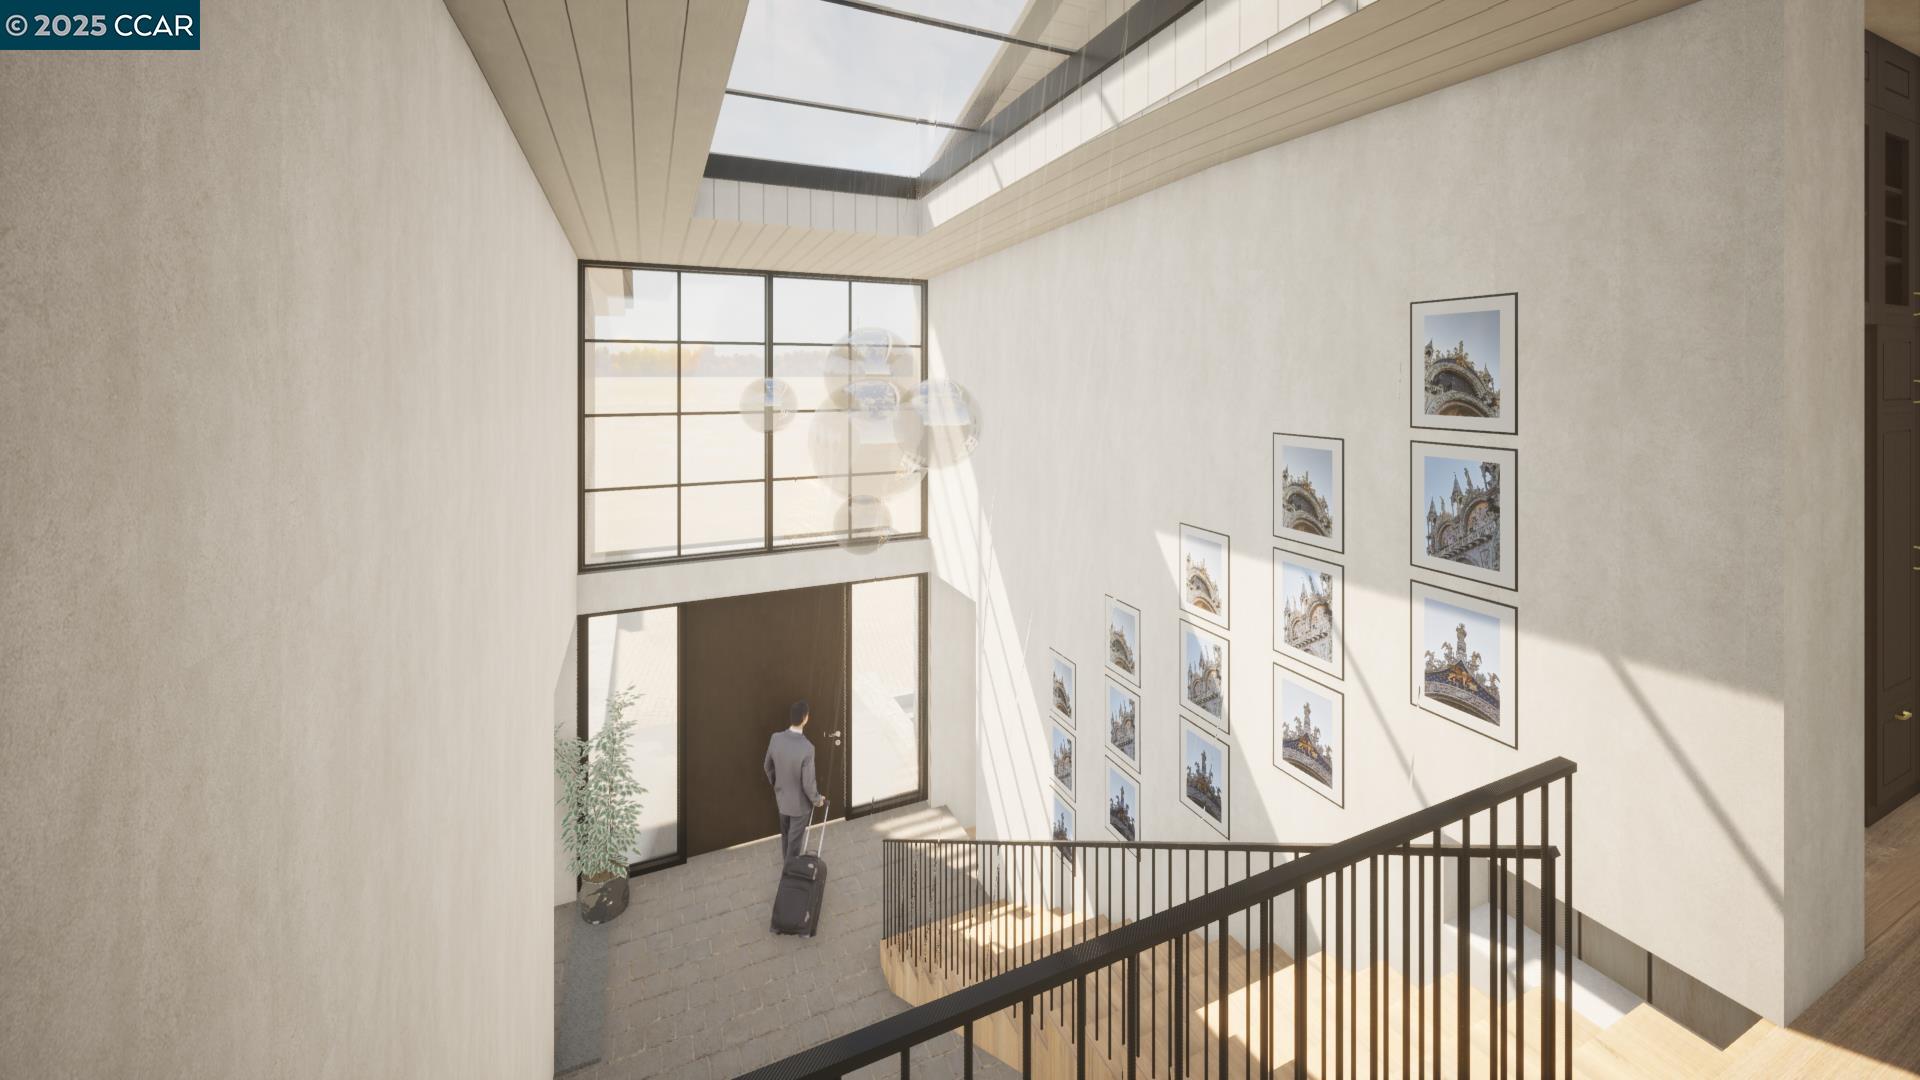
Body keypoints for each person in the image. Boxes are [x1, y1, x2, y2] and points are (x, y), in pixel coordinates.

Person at [763, 699, 825, 863]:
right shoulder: (807, 748)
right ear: (805, 718)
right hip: (799, 806)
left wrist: (777, 784)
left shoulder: (775, 738)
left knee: (785, 837)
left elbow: (767, 766)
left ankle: (787, 866)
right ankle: (790, 877)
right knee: (794, 844)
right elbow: (808, 783)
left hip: (782, 800)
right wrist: (817, 800)